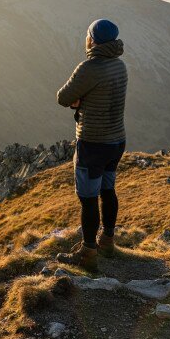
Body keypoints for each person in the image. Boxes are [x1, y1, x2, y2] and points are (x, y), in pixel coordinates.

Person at [55, 19, 127, 270]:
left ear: (92, 40)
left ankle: (87, 254)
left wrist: (79, 102)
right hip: (116, 140)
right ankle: (107, 241)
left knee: (87, 199)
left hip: (93, 143)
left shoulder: (89, 68)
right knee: (108, 191)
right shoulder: (120, 66)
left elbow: (63, 97)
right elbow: (104, 96)